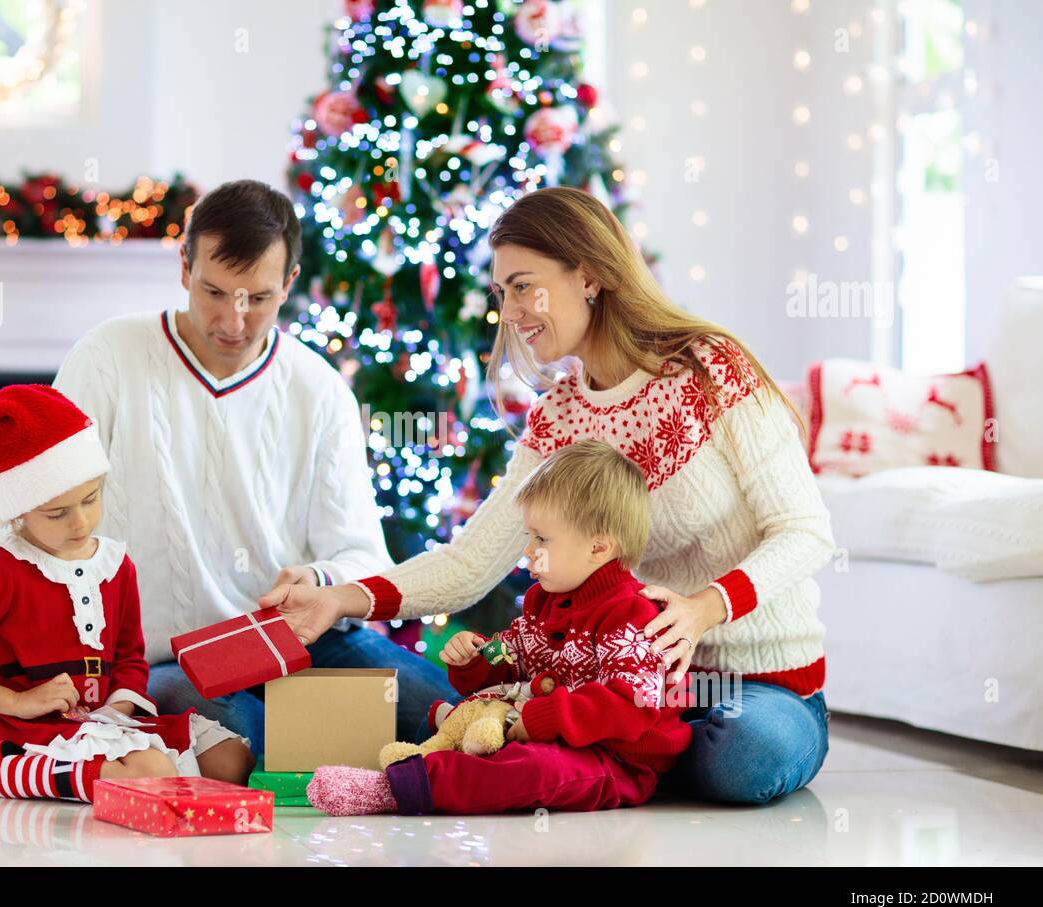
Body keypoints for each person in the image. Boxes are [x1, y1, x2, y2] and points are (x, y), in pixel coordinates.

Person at [263, 186, 835, 806]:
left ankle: (580, 757)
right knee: (462, 703)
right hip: (619, 692)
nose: (509, 311)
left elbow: (806, 532)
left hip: (752, 687)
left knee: (745, 755)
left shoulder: (709, 369)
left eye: (521, 286)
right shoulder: (559, 417)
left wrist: (704, 609)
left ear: (587, 277)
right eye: (501, 292)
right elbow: (472, 560)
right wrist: (342, 598)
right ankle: (585, 754)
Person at [0, 180, 456, 772]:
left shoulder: (320, 389)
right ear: (183, 267)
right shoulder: (108, 356)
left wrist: (316, 576)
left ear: (291, 283)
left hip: (300, 640)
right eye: (215, 292)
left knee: (447, 714)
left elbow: (363, 558)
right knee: (233, 750)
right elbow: (33, 516)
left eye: (259, 297)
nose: (234, 319)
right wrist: (8, 704)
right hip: (160, 657)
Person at [307, 440, 693, 815]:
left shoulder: (633, 616)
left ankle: (396, 788)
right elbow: (514, 652)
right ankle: (421, 765)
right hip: (549, 733)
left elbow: (630, 707)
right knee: (465, 719)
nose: (527, 550)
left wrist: (543, 718)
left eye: (541, 538)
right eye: (529, 535)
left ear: (598, 548)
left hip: (617, 759)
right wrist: (476, 658)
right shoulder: (546, 600)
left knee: (534, 770)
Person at [0, 385, 254, 801]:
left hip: (109, 724)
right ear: (19, 512)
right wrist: (15, 703)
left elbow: (128, 656)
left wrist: (121, 707)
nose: (80, 523)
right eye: (57, 513)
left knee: (232, 761)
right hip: (39, 733)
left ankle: (108, 775)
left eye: (91, 500)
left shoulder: (115, 565)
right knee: (151, 772)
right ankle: (0, 767)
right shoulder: (0, 570)